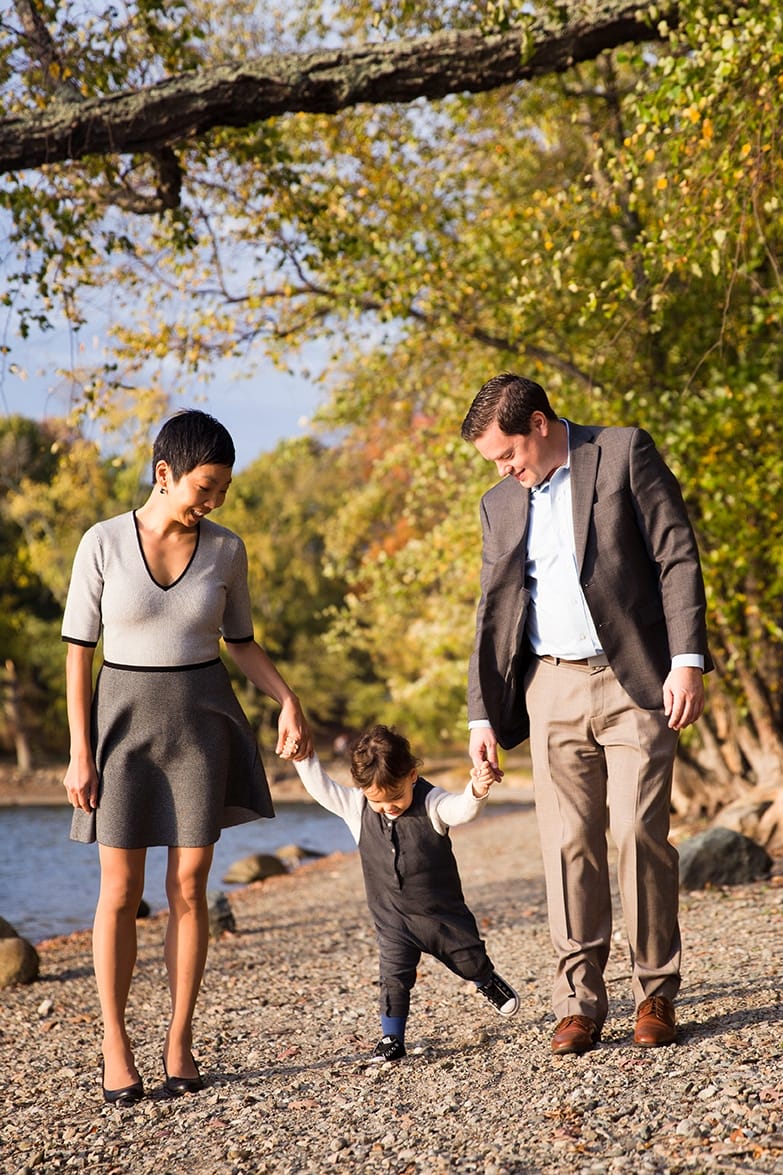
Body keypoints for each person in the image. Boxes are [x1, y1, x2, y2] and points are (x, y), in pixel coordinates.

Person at [61, 409, 312, 1105]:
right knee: (118, 889)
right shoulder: (102, 543)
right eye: (205, 486)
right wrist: (81, 751)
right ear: (163, 472)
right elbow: (78, 657)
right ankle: (115, 1041)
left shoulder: (227, 549)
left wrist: (287, 698)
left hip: (201, 719)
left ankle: (178, 1039)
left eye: (223, 490)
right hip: (122, 722)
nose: (213, 502)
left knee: (190, 884)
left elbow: (243, 641)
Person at [461, 372, 711, 1056]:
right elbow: (490, 612)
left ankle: (654, 991)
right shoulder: (497, 504)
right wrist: (481, 715)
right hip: (550, 688)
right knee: (567, 845)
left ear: (538, 423)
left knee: (637, 832)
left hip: (635, 682)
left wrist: (685, 657)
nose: (504, 470)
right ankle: (578, 1002)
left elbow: (675, 555)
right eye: (495, 463)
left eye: (507, 453)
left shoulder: (623, 451)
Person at [289, 724, 519, 1062]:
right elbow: (322, 788)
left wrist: (477, 789)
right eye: (378, 801)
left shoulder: (432, 803)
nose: (389, 807)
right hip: (393, 921)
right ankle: (391, 1038)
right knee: (393, 979)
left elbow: (462, 809)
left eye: (395, 797)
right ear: (364, 791)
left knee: (468, 959)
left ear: (412, 775)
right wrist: (303, 757)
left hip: (442, 916)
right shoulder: (358, 808)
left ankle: (486, 980)